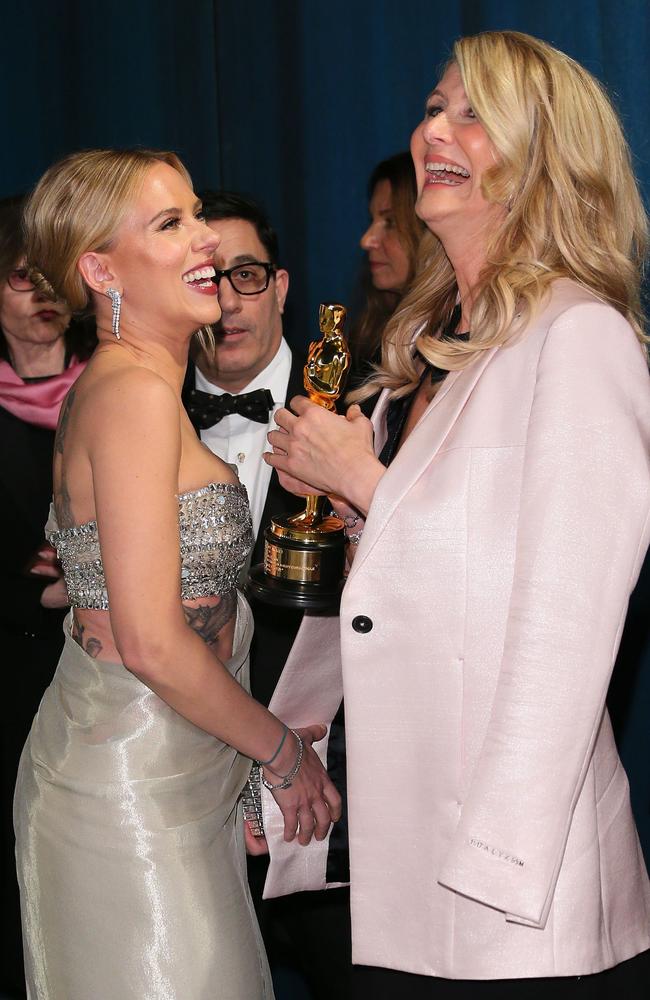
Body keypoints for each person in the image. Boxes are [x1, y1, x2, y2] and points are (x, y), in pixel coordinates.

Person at [263, 30, 650, 998]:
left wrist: (365, 482)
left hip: (514, 904)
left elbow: (565, 622)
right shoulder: (429, 352)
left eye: (471, 112)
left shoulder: (580, 335)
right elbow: (393, 591)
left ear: (541, 159)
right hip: (400, 870)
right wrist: (286, 759)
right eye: (434, 105)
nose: (434, 125)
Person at [13, 149, 341, 1000]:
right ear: (98, 268)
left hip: (171, 777)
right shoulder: (132, 395)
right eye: (171, 223)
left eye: (196, 213)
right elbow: (152, 641)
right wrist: (279, 757)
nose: (205, 240)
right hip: (128, 795)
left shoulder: (130, 386)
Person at [182, 191, 353, 999]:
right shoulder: (143, 409)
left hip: (331, 801)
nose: (224, 302)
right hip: (183, 795)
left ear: (283, 286)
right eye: (206, 278)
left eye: (244, 276)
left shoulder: (363, 403)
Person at [0, 194, 94, 999]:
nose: (36, 294)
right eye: (16, 277)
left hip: (95, 676)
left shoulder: (121, 387)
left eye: (46, 275)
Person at [350, 151, 425, 393]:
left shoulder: (451, 344)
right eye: (371, 220)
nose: (367, 240)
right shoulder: (366, 337)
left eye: (390, 222)